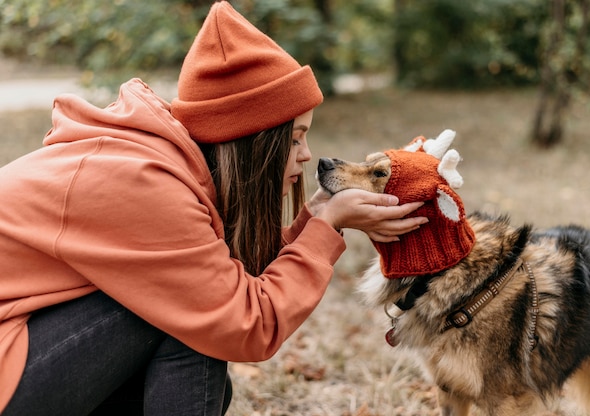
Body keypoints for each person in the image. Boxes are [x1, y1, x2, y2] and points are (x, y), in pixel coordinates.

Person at [0, 1, 427, 415]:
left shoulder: (160, 165)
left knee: (199, 328)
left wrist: (312, 220)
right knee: (197, 323)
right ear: (252, 143)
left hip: (22, 350)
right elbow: (245, 323)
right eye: (294, 139)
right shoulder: (143, 185)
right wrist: (327, 226)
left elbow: (222, 277)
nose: (305, 155)